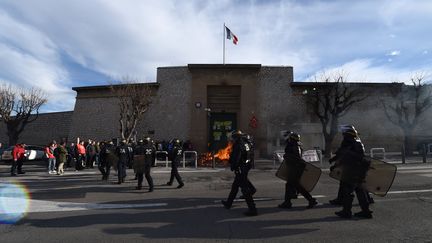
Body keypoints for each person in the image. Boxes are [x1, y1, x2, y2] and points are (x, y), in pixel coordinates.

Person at [329, 125, 372, 219]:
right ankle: (366, 211)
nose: (343, 135)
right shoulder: (358, 142)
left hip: (352, 170)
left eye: (344, 133)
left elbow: (343, 154)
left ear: (347, 134)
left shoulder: (347, 142)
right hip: (361, 169)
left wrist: (335, 165)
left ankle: (346, 211)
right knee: (360, 190)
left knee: (347, 191)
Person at [221, 130, 257, 216]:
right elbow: (251, 154)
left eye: (233, 137)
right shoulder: (246, 143)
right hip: (245, 166)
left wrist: (233, 166)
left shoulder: (238, 144)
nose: (232, 139)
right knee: (235, 186)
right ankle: (228, 203)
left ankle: (252, 209)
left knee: (244, 189)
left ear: (236, 137)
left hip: (241, 167)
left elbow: (236, 157)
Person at [278, 131, 318, 209]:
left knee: (294, 185)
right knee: (293, 185)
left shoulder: (293, 146)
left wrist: (286, 156)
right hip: (296, 167)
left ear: (291, 139)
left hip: (295, 168)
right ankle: (288, 202)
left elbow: (294, 158)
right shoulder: (296, 145)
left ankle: (310, 200)